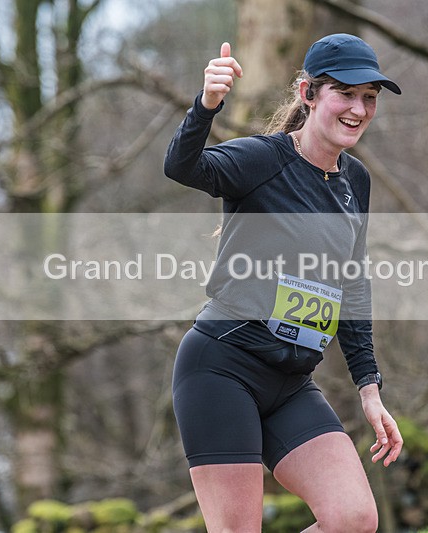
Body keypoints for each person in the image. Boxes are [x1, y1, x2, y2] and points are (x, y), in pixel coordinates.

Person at [164, 33, 403, 533]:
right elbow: (183, 167)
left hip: (291, 382)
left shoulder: (355, 181)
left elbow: (352, 285)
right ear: (307, 93)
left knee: (352, 519)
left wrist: (369, 387)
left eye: (370, 98)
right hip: (222, 370)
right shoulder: (262, 159)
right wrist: (207, 105)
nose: (358, 108)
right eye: (345, 93)